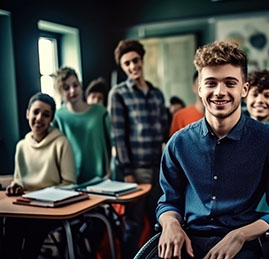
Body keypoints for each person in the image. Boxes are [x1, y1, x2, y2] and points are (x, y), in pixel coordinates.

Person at [156, 41, 269, 259]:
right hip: (188, 240)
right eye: (211, 83)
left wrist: (240, 235)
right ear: (200, 88)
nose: (220, 92)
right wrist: (170, 225)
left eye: (230, 83)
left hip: (244, 245)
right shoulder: (178, 143)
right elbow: (168, 201)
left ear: (244, 89)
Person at [109, 39, 169, 258]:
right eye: (127, 64)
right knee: (133, 224)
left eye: (135, 60)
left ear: (141, 60)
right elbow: (118, 135)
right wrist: (127, 171)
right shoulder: (118, 94)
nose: (133, 66)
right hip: (136, 170)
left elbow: (164, 132)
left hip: (159, 169)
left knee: (160, 222)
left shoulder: (156, 93)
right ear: (123, 67)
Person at [4, 92, 76, 259]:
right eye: (35, 112)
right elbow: (19, 179)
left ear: (51, 119)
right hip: (26, 206)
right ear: (27, 113)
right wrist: (16, 186)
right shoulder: (21, 146)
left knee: (33, 232)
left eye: (46, 114)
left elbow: (70, 183)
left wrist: (43, 195)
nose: (39, 118)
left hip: (50, 209)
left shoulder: (61, 143)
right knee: (10, 224)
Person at [52, 67, 111, 184]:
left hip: (102, 179)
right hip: (71, 181)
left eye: (75, 85)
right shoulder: (58, 116)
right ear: (59, 92)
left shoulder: (100, 112)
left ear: (81, 85)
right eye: (66, 88)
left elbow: (112, 145)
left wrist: (110, 171)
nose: (72, 90)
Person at [169, 71, 204, 137]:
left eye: (210, 84)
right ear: (194, 88)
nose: (204, 89)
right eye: (200, 85)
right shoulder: (180, 117)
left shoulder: (221, 117)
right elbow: (173, 145)